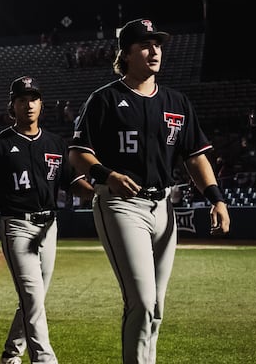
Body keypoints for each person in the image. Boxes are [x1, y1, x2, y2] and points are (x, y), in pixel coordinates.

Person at [67, 18, 231, 364]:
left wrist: (216, 198)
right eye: (145, 44)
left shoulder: (176, 101)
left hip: (163, 206)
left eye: (157, 44)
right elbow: (77, 154)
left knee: (156, 306)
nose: (154, 50)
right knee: (141, 301)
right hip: (121, 205)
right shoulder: (105, 99)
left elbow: (196, 156)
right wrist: (106, 174)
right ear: (125, 54)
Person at [0, 76, 94, 364]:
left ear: (41, 104)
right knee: (32, 296)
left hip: (49, 227)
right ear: (12, 107)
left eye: (33, 98)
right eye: (22, 99)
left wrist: (101, 191)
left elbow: (73, 182)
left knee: (34, 299)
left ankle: (11, 351)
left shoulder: (55, 142)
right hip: (16, 225)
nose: (28, 104)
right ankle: (44, 358)